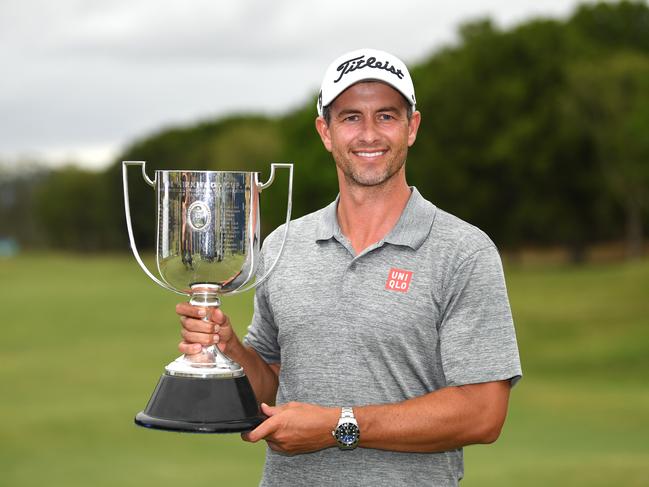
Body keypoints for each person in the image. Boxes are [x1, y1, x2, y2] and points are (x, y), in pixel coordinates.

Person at [176, 48, 522, 486]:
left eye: (386, 116)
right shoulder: (285, 244)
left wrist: (337, 426)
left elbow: (483, 414)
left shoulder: (463, 250)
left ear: (412, 128)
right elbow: (270, 387)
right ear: (326, 131)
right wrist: (229, 351)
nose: (369, 134)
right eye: (351, 117)